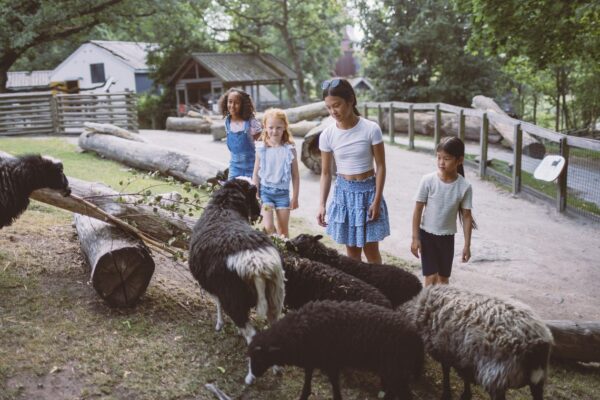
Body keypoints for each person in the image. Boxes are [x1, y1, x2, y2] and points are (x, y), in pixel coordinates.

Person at [317, 78, 390, 263]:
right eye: (329, 107)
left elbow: (380, 166)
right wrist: (321, 204)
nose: (333, 111)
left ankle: (380, 289)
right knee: (353, 255)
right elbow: (326, 173)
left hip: (369, 194)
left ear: (351, 101)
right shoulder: (327, 135)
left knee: (372, 252)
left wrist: (377, 199)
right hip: (345, 195)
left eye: (337, 105)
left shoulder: (371, 129)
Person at [410, 136, 476, 286]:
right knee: (430, 277)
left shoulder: (464, 186)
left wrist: (467, 245)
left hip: (447, 238)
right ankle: (426, 307)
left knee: (443, 279)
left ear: (459, 161)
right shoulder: (428, 180)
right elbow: (418, 209)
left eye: (446, 158)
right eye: (439, 157)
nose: (441, 162)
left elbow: (467, 216)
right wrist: (415, 237)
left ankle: (441, 307)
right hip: (427, 235)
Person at [252, 108, 299, 237]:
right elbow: (256, 173)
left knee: (283, 232)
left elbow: (295, 175)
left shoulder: (290, 149)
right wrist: (255, 192)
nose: (274, 131)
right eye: (271, 127)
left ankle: (284, 254)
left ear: (284, 127)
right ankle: (272, 249)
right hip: (266, 194)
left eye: (278, 127)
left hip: (283, 195)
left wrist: (295, 197)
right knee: (268, 228)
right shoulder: (261, 148)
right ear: (265, 127)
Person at [218, 88, 262, 180]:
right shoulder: (227, 122)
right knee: (231, 192)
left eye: (236, 103)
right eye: (230, 102)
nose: (232, 105)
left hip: (252, 168)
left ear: (243, 105)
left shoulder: (251, 122)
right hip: (234, 169)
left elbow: (261, 146)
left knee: (253, 193)